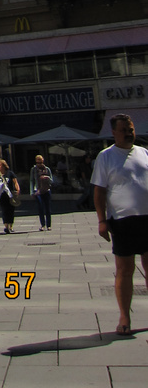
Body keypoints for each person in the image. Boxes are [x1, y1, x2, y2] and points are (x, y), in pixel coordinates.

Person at [91, 112, 148, 336]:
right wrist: (102, 220)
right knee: (125, 270)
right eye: (123, 129)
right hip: (123, 220)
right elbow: (99, 191)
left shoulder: (144, 153)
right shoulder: (106, 157)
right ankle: (125, 316)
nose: (128, 133)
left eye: (131, 128)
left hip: (147, 218)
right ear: (114, 132)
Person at [0, 159, 19, 234]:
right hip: (2, 196)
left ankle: (10, 225)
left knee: (11, 210)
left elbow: (15, 182)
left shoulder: (10, 173)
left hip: (10, 195)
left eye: (0, 165)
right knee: (4, 210)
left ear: (4, 166)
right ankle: (6, 226)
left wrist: (18, 189)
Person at [29, 154, 53, 231]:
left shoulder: (47, 169)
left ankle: (48, 225)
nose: (39, 164)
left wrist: (47, 177)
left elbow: (52, 181)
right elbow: (32, 180)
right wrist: (32, 192)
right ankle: (42, 225)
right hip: (38, 190)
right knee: (40, 208)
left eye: (40, 162)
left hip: (46, 190)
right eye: (37, 162)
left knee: (48, 208)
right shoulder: (34, 169)